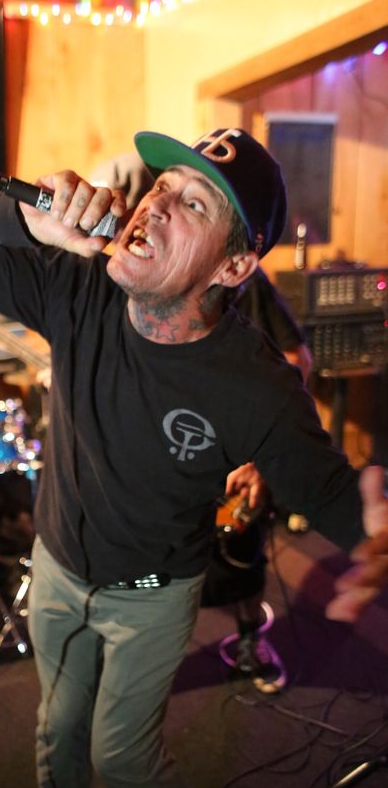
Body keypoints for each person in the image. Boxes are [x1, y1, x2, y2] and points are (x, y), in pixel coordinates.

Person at [0, 128, 388, 788]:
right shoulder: (76, 284)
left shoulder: (255, 384)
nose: (154, 204)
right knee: (56, 730)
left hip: (152, 598)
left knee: (122, 756)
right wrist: (21, 220)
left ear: (233, 265)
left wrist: (377, 531)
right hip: (57, 568)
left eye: (193, 203)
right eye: (162, 185)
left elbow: (336, 496)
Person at [92, 153, 313, 693]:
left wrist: (260, 454)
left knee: (239, 560)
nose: (150, 209)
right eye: (157, 191)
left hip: (229, 456)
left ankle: (249, 639)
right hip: (157, 465)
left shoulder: (244, 282)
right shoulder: (122, 272)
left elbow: (295, 357)